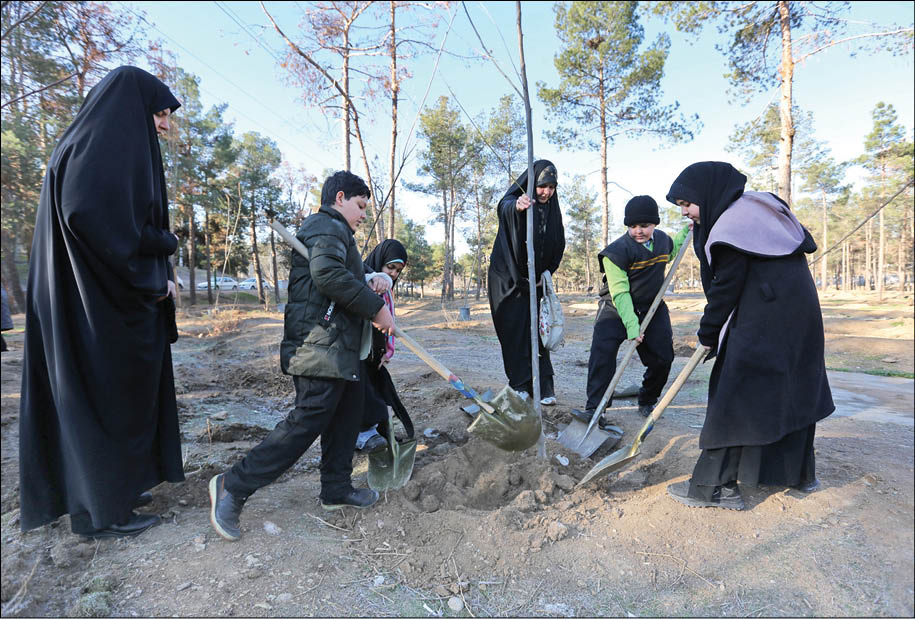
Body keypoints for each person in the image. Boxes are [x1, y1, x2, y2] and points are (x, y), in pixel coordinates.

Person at [19, 66, 183, 538]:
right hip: (94, 311)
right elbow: (93, 217)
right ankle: (101, 512)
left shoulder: (89, 144)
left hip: (90, 304)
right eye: (159, 113)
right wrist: (159, 256)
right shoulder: (97, 149)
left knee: (118, 398)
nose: (164, 125)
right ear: (132, 108)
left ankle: (115, 489)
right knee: (103, 399)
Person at [208, 171, 395, 542]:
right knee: (307, 421)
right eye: (360, 206)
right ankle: (233, 484)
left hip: (339, 347)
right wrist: (376, 308)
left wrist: (370, 277)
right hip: (318, 344)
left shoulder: (336, 233)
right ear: (340, 197)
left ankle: (336, 488)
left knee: (347, 415)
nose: (362, 215)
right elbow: (326, 273)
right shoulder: (326, 225)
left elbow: (340, 274)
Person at [663, 161, 834, 510]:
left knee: (734, 397)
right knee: (792, 390)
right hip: (799, 320)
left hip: (765, 323)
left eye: (686, 204)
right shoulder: (759, 206)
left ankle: (715, 488)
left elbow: (726, 289)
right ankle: (801, 476)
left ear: (706, 195)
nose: (684, 212)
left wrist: (708, 333)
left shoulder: (732, 227)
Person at [570, 196, 691, 425]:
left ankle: (647, 399)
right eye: (633, 226)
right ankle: (596, 409)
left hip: (651, 307)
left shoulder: (663, 240)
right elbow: (620, 293)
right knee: (602, 355)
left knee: (663, 358)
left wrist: (687, 231)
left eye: (644, 226)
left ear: (654, 224)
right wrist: (632, 327)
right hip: (615, 309)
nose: (638, 231)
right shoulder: (616, 253)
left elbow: (672, 252)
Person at [488, 160, 565, 405]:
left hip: (535, 282)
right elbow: (504, 206)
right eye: (542, 186)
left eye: (552, 187)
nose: (546, 192)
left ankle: (544, 386)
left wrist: (547, 272)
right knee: (514, 332)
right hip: (507, 280)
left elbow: (558, 243)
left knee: (538, 330)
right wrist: (518, 206)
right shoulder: (516, 201)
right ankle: (519, 384)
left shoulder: (552, 210)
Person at [355, 239, 413, 452]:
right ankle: (361, 435)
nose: (394, 274)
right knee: (364, 394)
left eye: (398, 271)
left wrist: (386, 351)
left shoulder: (386, 290)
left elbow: (389, 325)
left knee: (383, 392)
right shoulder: (361, 283)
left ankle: (378, 432)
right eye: (390, 267)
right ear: (378, 262)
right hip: (357, 354)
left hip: (374, 356)